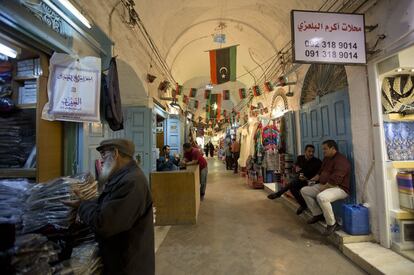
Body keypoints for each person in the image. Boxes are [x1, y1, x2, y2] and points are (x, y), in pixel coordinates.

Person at [63, 139, 155, 275]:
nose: (101, 160)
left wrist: (82, 205)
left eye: (104, 154)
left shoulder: (132, 182)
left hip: (128, 266)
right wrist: (88, 201)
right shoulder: (124, 177)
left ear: (116, 153)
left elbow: (105, 223)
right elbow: (111, 204)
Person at [300, 140, 351, 236]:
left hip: (339, 188)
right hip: (325, 185)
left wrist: (323, 187)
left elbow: (335, 181)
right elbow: (320, 173)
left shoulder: (341, 161)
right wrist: (310, 181)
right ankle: (317, 214)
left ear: (333, 148)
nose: (323, 151)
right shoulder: (327, 158)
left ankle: (332, 224)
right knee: (304, 190)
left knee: (321, 197)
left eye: (325, 149)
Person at [267, 144, 322, 215]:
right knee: (293, 187)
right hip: (299, 179)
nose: (311, 153)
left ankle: (278, 194)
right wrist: (297, 172)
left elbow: (319, 174)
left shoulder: (317, 162)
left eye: (312, 152)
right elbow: (296, 168)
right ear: (305, 151)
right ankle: (303, 204)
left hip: (310, 181)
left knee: (292, 184)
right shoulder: (300, 158)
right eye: (309, 151)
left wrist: (308, 179)